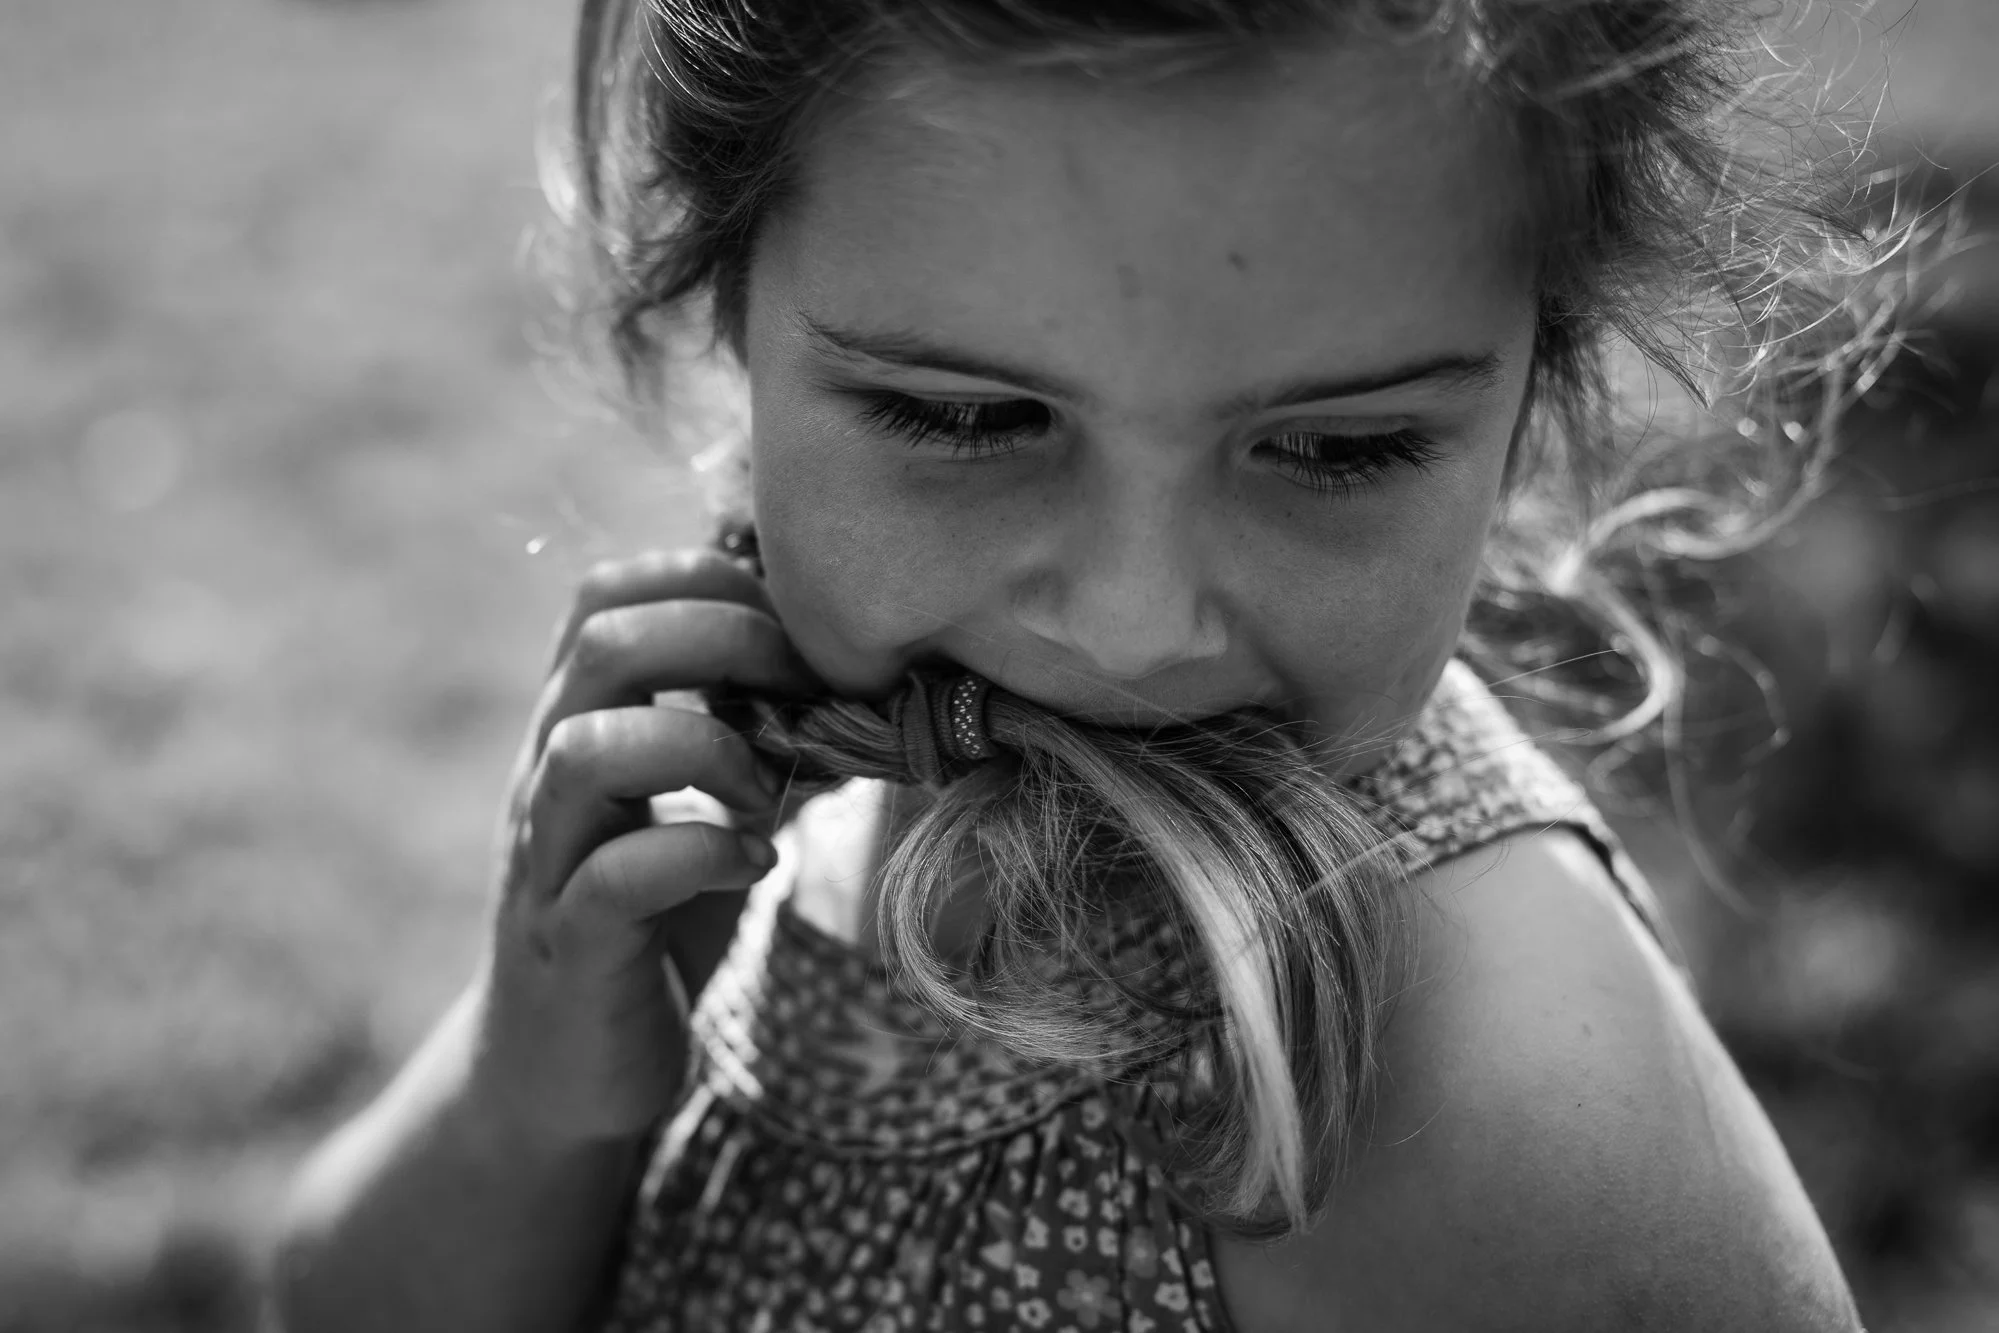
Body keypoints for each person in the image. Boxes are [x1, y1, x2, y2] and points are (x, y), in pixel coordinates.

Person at [272, 1, 1908, 1328]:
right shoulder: (768, 795)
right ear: (722, 301)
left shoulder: (1481, 1098)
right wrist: (535, 1096)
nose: (1131, 627)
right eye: (963, 420)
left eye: (1336, 449)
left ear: (1534, 395)